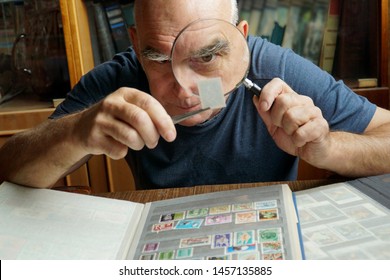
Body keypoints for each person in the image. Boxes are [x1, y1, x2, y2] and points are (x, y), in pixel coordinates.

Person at [0, 0, 390, 189]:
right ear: (135, 45)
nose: (186, 88)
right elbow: (9, 169)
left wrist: (327, 149)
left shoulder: (276, 69)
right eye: (158, 57)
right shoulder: (117, 81)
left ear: (242, 37)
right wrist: (75, 132)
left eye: (206, 56)